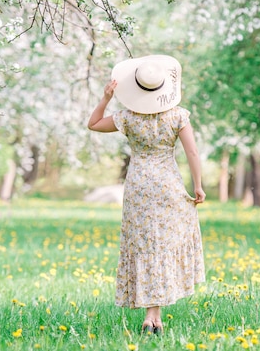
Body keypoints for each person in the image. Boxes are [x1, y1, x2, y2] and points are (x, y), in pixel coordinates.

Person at [87, 54, 206, 335]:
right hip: (167, 185)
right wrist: (198, 185)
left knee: (145, 245)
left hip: (138, 187)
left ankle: (151, 315)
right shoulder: (178, 115)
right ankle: (155, 316)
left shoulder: (127, 117)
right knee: (164, 244)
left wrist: (105, 97)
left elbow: (94, 123)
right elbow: (192, 152)